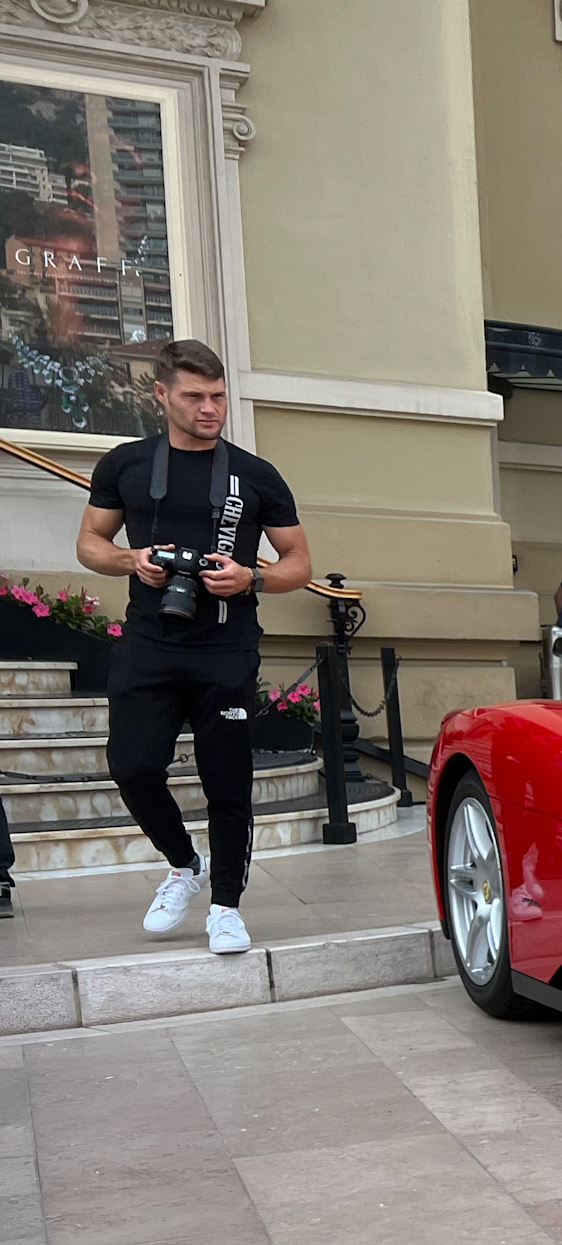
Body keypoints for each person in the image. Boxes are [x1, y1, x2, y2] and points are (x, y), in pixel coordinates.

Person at [77, 339, 311, 954]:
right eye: (194, 396)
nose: (210, 408)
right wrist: (132, 559)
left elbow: (299, 562)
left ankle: (227, 906)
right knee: (132, 765)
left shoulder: (256, 475)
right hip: (149, 640)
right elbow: (89, 545)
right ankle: (185, 864)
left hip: (226, 645)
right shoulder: (125, 465)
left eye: (218, 395)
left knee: (227, 783)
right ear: (162, 396)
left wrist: (250, 576)